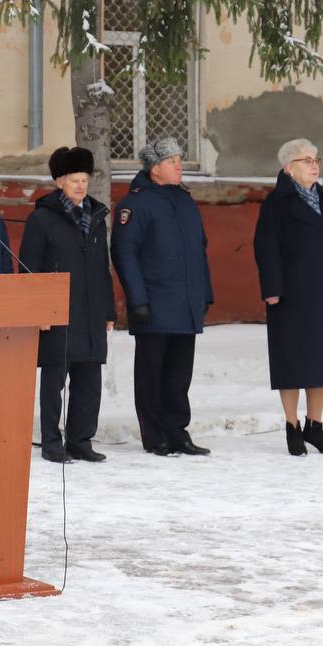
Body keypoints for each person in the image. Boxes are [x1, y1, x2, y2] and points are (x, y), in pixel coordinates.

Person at [111, 137, 215, 457]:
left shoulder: (185, 201)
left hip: (185, 305)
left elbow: (199, 250)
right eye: (172, 161)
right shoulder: (136, 204)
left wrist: (204, 294)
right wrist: (137, 300)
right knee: (152, 373)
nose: (180, 165)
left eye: (179, 159)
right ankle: (154, 434)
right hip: (154, 304)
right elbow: (124, 253)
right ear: (155, 169)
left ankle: (177, 430)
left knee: (178, 374)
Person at [18, 147, 116, 463]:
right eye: (74, 180)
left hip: (91, 311)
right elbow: (29, 269)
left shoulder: (97, 216)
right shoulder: (43, 219)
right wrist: (37, 312)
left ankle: (80, 440)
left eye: (85, 180)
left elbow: (103, 266)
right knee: (54, 379)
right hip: (57, 311)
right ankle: (50, 440)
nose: (81, 186)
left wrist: (109, 311)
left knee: (89, 381)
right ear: (60, 181)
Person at [253, 139, 323, 456]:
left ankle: (315, 427)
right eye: (306, 160)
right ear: (288, 168)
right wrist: (272, 289)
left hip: (322, 292)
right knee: (292, 360)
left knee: (322, 360)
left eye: (315, 158)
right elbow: (266, 247)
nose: (314, 164)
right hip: (290, 294)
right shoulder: (276, 203)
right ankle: (292, 427)